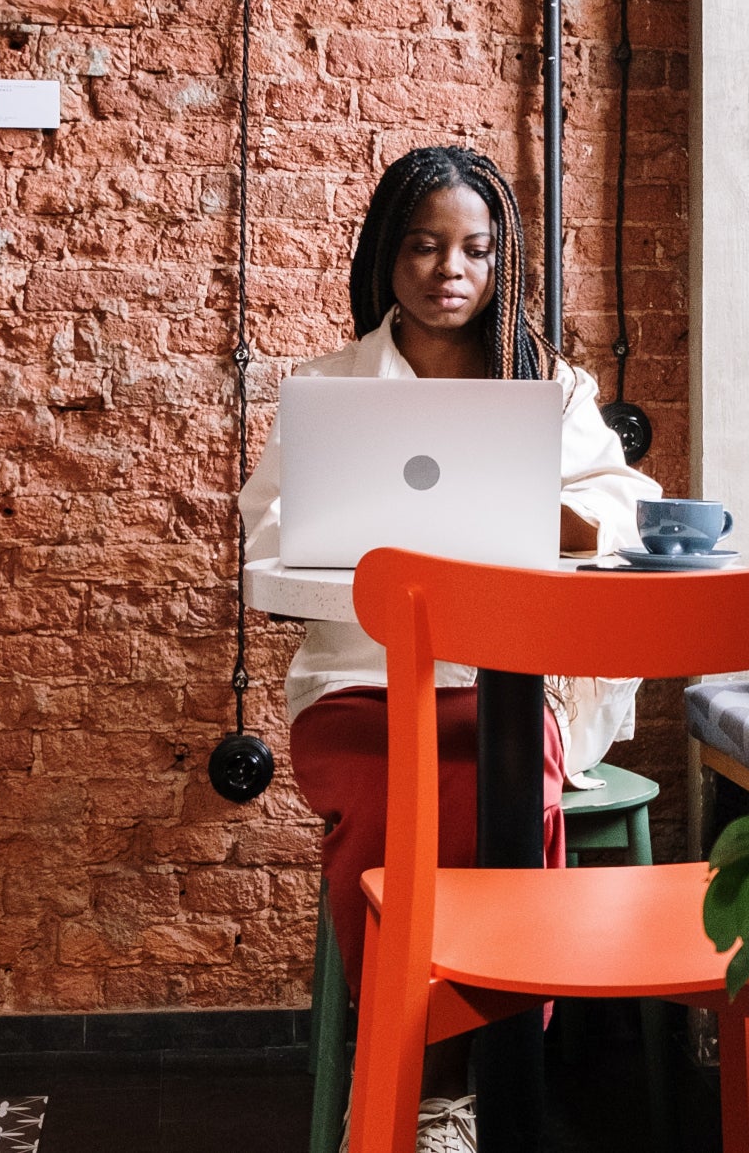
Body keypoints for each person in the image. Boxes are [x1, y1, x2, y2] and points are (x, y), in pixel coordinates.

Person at [239, 145, 659, 1151]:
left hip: (506, 687)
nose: (448, 269)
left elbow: (624, 504)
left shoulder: (545, 388)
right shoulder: (330, 387)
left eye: (473, 248)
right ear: (387, 256)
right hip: (360, 684)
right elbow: (264, 533)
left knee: (501, 790)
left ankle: (469, 1082)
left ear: (499, 261)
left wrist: (547, 518)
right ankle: (412, 1085)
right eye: (424, 247)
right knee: (396, 798)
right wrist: (356, 526)